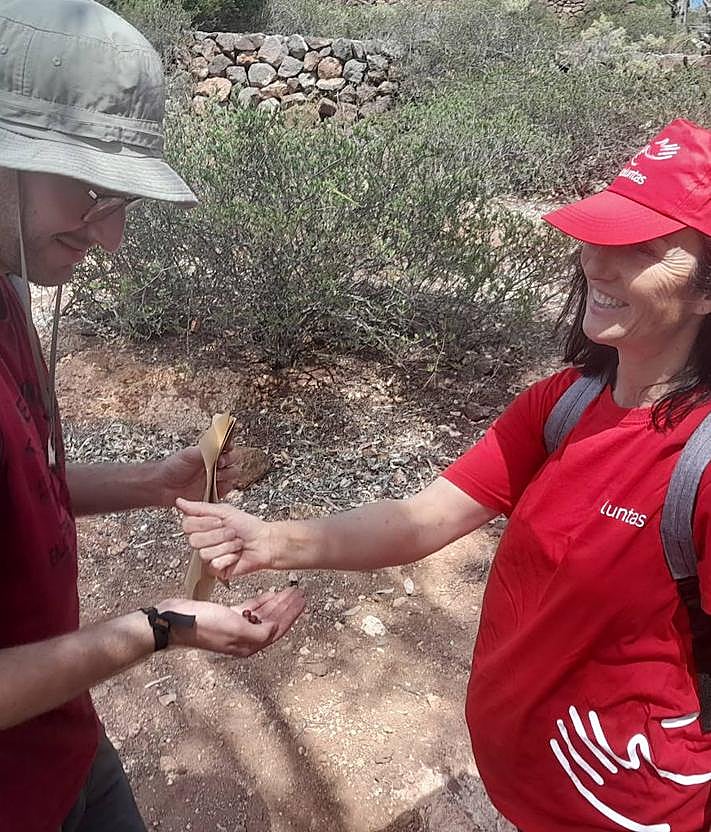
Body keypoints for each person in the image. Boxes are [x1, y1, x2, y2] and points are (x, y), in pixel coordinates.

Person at [181, 117, 711, 832]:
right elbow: (425, 518)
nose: (598, 265)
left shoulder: (698, 463)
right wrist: (269, 540)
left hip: (631, 805)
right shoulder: (564, 404)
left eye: (642, 249)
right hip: (525, 776)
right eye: (600, 237)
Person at [0, 3, 305, 832]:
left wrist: (154, 482)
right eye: (96, 190)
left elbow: (24, 490)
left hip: (61, 738)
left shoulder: (10, 282)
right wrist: (156, 628)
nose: (113, 238)